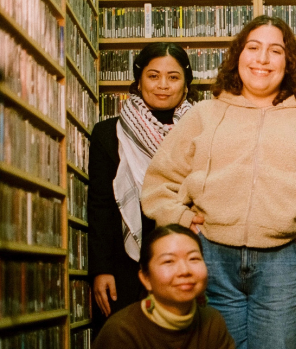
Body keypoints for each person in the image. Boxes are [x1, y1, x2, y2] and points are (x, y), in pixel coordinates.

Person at [140, 15, 296, 349]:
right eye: (253, 48)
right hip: (212, 260)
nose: (262, 59)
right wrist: (183, 220)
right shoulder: (204, 114)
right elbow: (158, 182)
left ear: (288, 62)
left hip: (286, 265)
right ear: (238, 56)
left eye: (275, 51)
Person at [88, 42, 195, 335]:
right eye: (153, 75)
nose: (163, 85)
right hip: (124, 265)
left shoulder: (202, 133)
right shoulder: (108, 134)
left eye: (173, 77)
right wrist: (100, 269)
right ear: (139, 80)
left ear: (186, 84)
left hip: (184, 257)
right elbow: (99, 206)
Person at [93, 224, 235, 349]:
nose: (184, 270)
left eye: (194, 258)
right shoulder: (121, 331)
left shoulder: (212, 321)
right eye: (168, 261)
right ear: (146, 278)